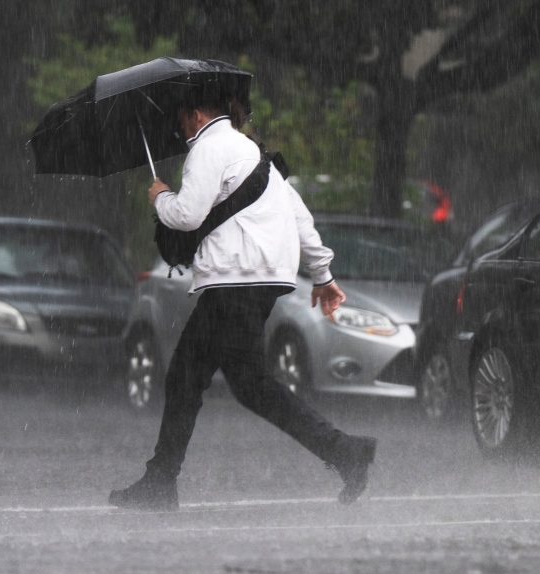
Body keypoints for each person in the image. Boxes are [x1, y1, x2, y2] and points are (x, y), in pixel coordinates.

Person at [108, 91, 377, 511]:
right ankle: (344, 452)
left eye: (181, 122)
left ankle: (161, 482)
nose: (181, 131)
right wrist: (322, 274)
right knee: (247, 385)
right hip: (264, 279)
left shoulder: (208, 148)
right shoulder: (252, 152)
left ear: (196, 115)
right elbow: (299, 215)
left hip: (235, 280)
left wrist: (160, 196)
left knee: (188, 378)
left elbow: (187, 215)